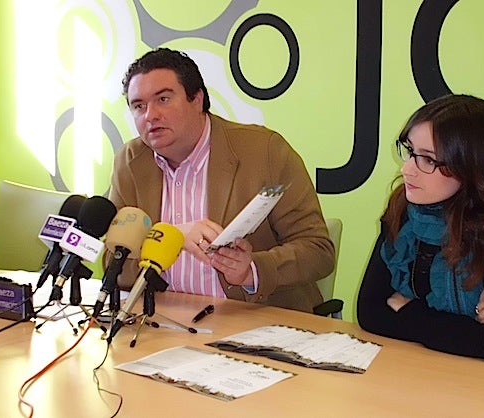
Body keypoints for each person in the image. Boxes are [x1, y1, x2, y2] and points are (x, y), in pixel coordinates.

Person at [108, 48, 334, 312]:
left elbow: (318, 250)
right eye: (139, 106)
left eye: (163, 99)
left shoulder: (264, 151)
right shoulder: (130, 162)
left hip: (252, 319)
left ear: (197, 99)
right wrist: (170, 237)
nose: (150, 115)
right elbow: (114, 264)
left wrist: (252, 270)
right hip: (159, 319)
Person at [356, 94, 484, 364]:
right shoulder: (403, 208)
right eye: (410, 151)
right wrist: (462, 326)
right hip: (415, 366)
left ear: (470, 167)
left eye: (428, 160)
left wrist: (406, 308)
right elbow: (369, 312)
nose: (407, 170)